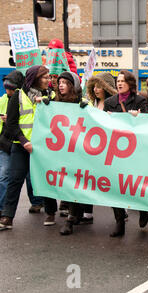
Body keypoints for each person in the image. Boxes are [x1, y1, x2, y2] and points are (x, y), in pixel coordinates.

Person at [0, 66, 52, 230]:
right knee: (15, 180)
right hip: (21, 147)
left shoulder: (50, 96)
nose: (48, 80)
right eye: (45, 77)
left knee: (46, 180)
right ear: (36, 78)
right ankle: (7, 217)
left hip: (44, 148)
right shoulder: (18, 96)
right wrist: (24, 141)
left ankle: (51, 212)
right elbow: (10, 125)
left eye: (49, 77)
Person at [104, 70, 148, 237]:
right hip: (116, 149)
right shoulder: (109, 102)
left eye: (123, 81)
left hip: (135, 149)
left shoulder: (140, 100)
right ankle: (119, 221)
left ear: (130, 83)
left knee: (135, 184)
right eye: (118, 81)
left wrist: (139, 117)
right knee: (115, 186)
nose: (119, 83)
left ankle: (143, 209)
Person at [53, 71, 94, 235]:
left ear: (73, 86)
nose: (61, 85)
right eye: (60, 82)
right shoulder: (54, 102)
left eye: (65, 82)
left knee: (76, 184)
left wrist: (87, 110)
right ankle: (73, 214)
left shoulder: (82, 102)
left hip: (79, 151)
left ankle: (71, 218)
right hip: (62, 151)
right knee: (66, 185)